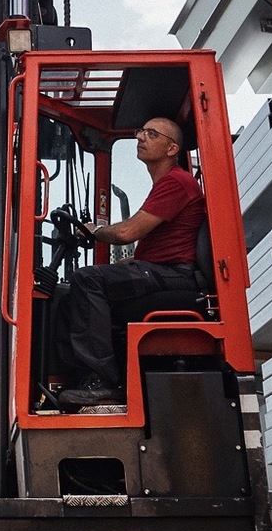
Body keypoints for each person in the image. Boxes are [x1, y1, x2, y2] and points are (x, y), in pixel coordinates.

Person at [49, 115, 206, 408]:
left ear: (172, 149)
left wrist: (94, 231)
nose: (140, 138)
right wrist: (123, 262)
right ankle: (78, 378)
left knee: (88, 279)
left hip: (175, 276)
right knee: (69, 292)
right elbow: (152, 249)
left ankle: (103, 382)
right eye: (140, 131)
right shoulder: (167, 184)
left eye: (151, 134)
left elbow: (127, 232)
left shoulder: (176, 182)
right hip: (161, 271)